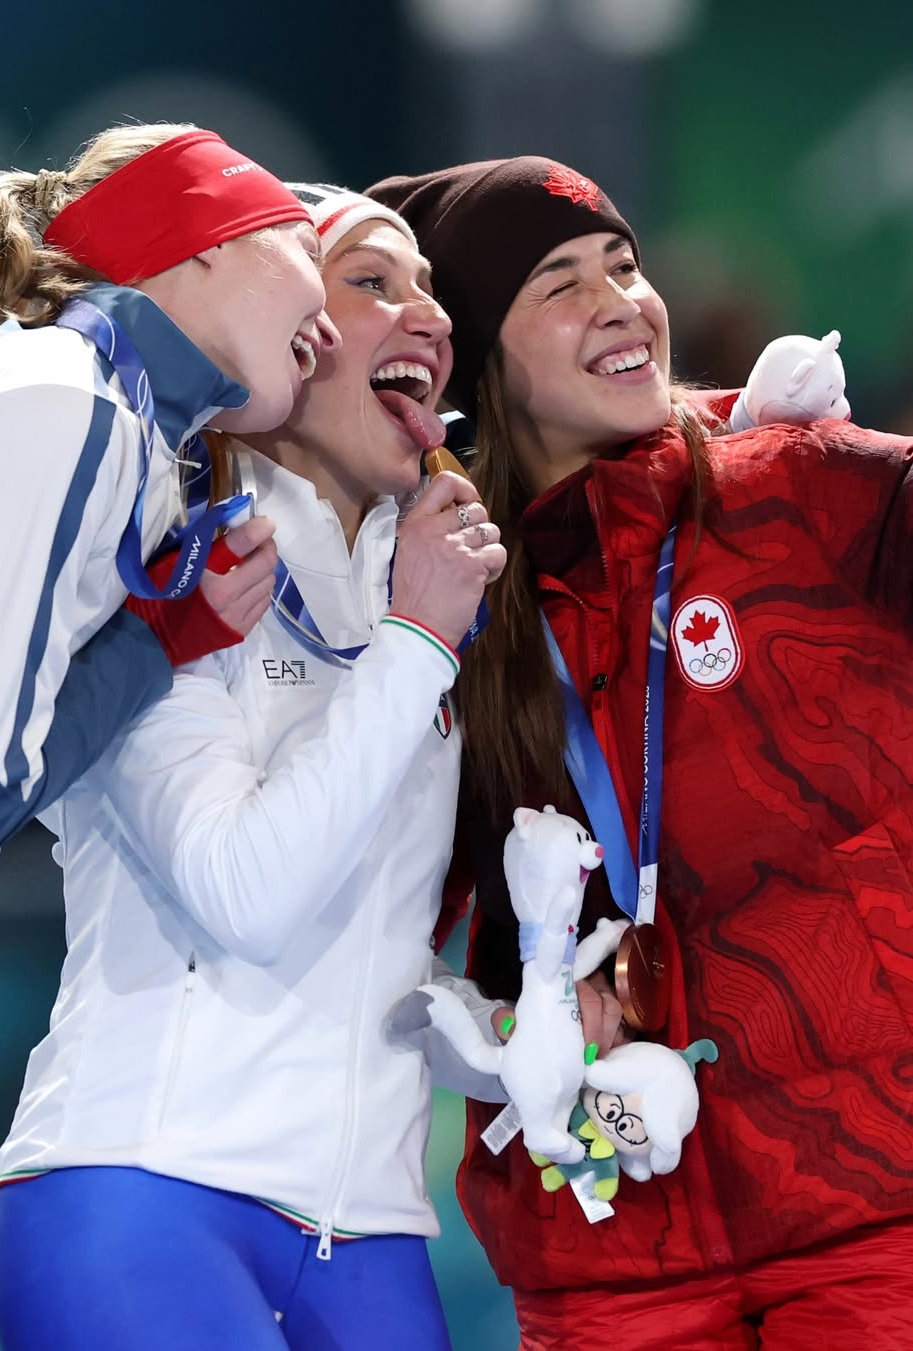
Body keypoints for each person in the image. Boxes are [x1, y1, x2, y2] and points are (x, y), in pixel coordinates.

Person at [368, 156, 913, 1349]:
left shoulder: (799, 488)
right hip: (607, 1241)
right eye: (560, 283)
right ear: (480, 357)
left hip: (875, 1207)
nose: (621, 300)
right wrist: (516, 1022)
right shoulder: (438, 600)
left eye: (624, 264)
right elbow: (382, 910)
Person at [0, 120, 340, 1351]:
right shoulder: (55, 399)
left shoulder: (97, 418)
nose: (326, 310)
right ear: (200, 244)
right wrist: (160, 649)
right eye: (295, 239)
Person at [0, 184, 507, 1351]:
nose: (427, 318)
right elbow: (246, 894)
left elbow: (370, 932)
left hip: (370, 1233)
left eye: (431, 294)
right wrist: (416, 642)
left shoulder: (426, 580)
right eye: (374, 282)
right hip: (144, 1196)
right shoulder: (161, 556)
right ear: (277, 337)